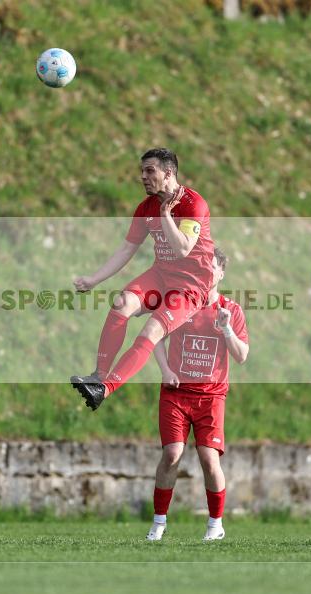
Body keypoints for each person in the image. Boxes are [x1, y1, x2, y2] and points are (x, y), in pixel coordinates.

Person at [71, 148, 215, 409]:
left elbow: (182, 248)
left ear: (168, 173)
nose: (143, 177)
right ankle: (98, 376)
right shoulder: (145, 207)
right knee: (122, 303)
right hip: (161, 275)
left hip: (190, 286)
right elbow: (127, 249)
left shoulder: (194, 204)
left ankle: (105, 389)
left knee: (151, 330)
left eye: (150, 171)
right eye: (142, 171)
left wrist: (166, 216)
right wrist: (94, 280)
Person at [145, 248, 248, 542]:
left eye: (212, 267)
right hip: (176, 393)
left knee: (208, 458)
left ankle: (215, 525)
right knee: (172, 454)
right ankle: (158, 523)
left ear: (221, 273)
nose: (206, 272)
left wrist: (227, 329)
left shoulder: (231, 311)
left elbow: (241, 356)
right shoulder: (179, 304)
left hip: (211, 396)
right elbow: (155, 338)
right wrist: (165, 370)